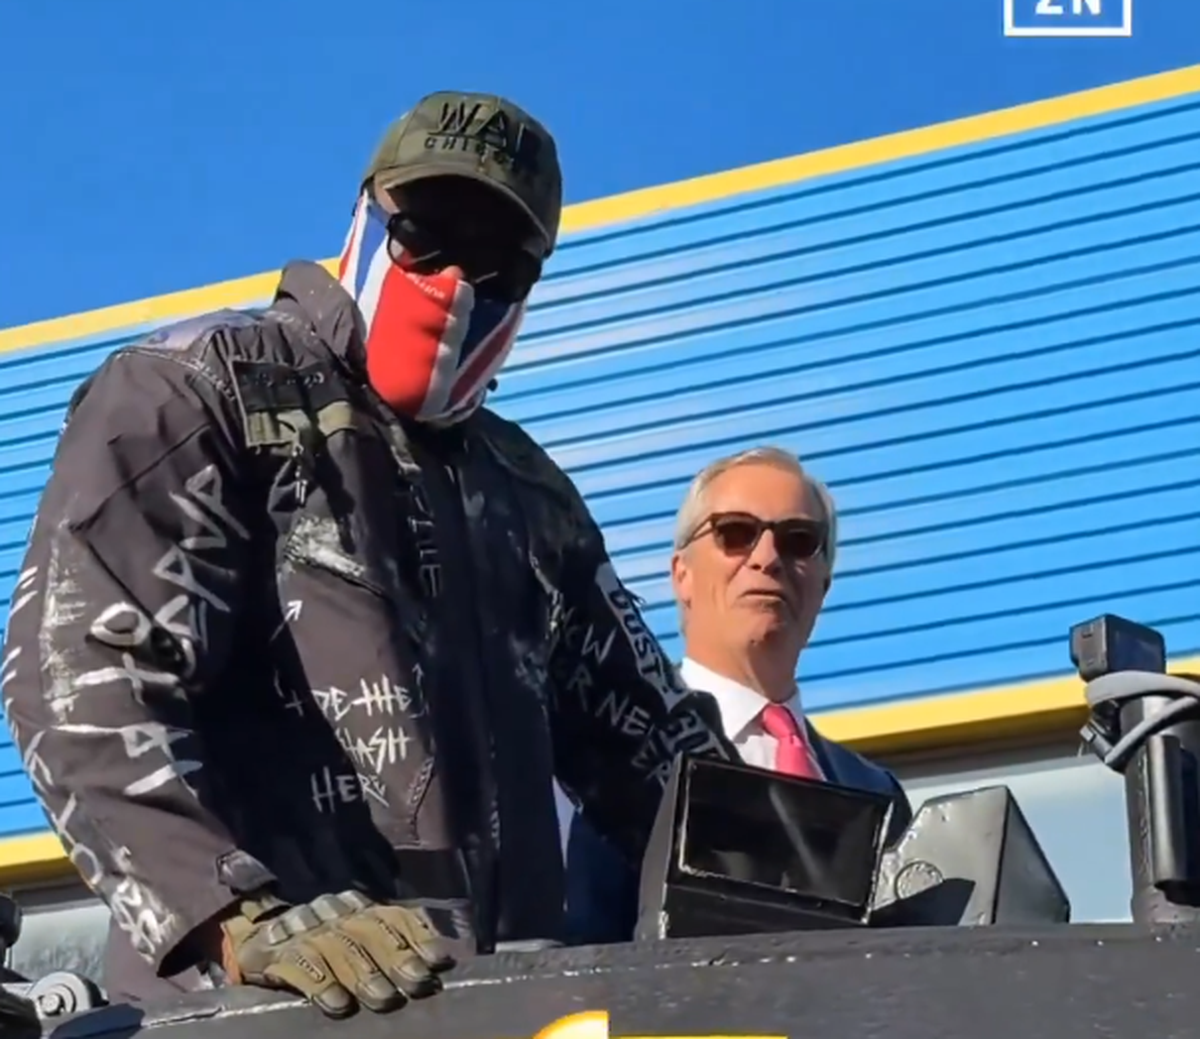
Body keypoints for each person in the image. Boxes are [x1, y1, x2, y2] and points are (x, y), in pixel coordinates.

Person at [0, 91, 734, 1017]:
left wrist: (843, 888)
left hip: (503, 1011)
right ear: (367, 216)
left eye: (499, 260)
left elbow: (667, 760)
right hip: (255, 1014)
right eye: (428, 233)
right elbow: (77, 676)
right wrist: (236, 917)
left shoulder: (528, 494)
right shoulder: (201, 391)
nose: (456, 277)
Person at [563, 447, 913, 945]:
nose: (767, 558)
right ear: (681, 573)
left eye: (799, 540)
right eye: (735, 533)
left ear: (823, 586)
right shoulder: (611, 759)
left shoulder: (877, 794)